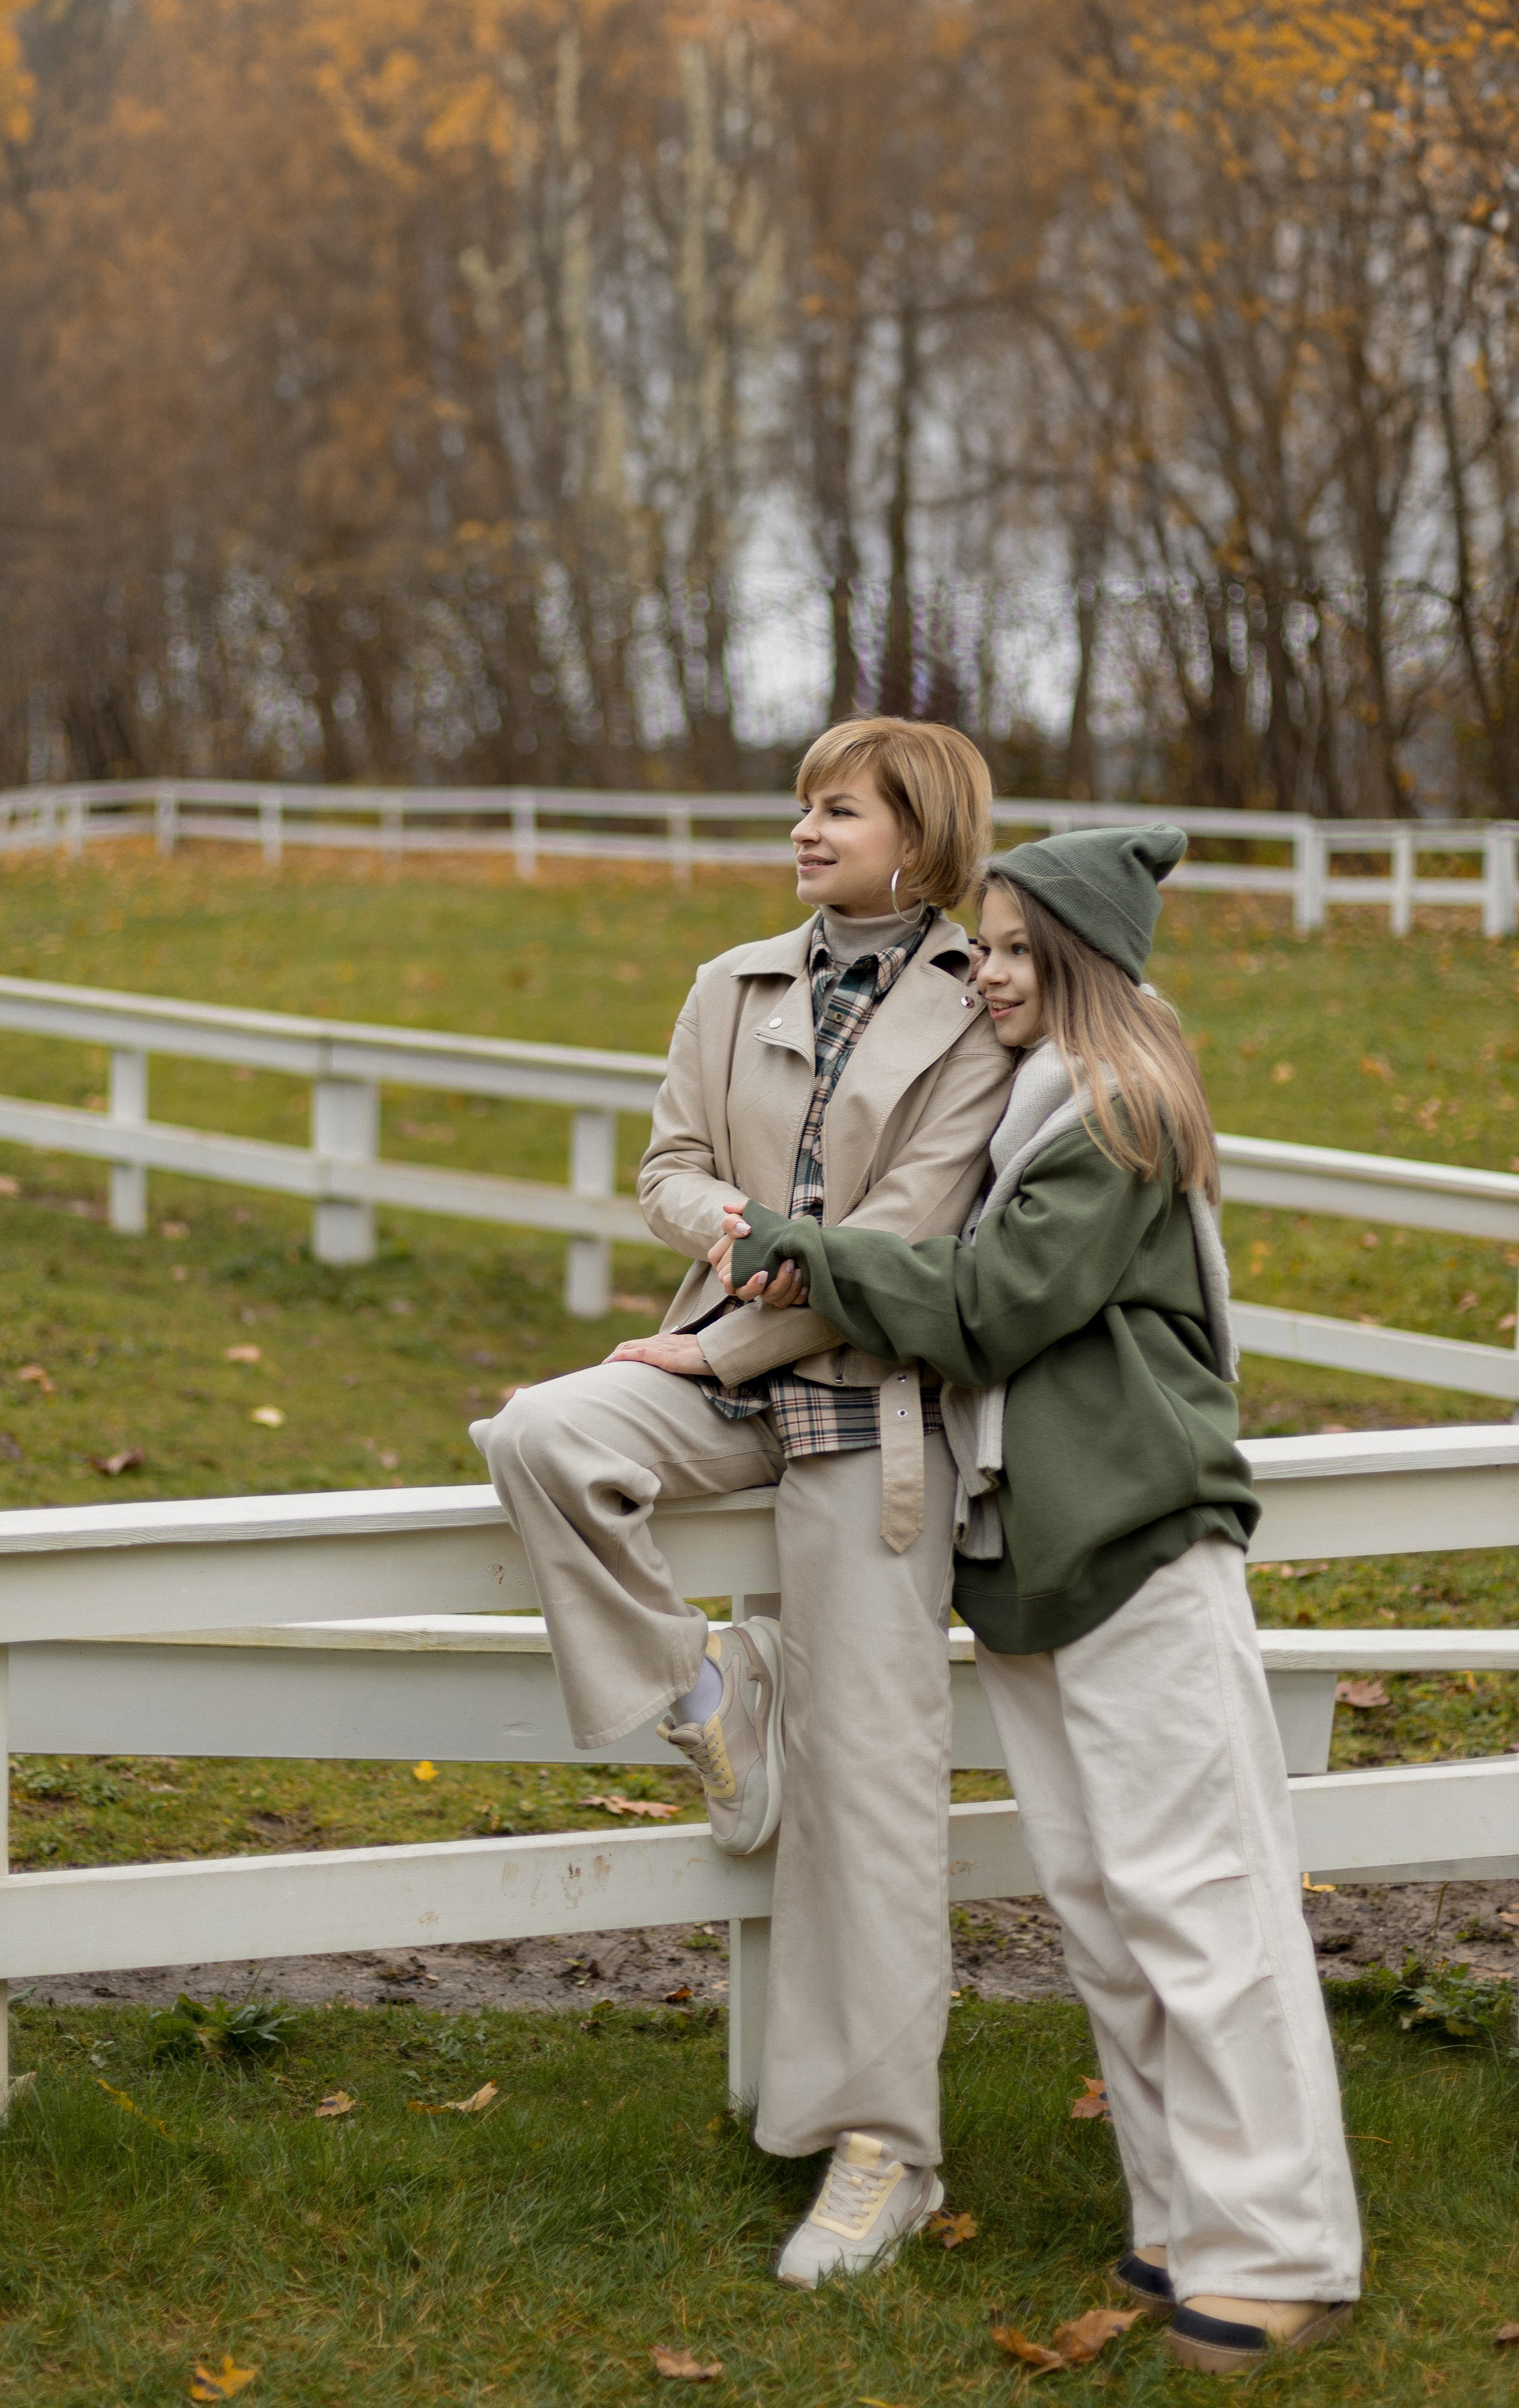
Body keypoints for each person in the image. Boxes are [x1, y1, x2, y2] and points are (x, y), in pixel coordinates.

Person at [712, 823, 1362, 2375]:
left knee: (1196, 1906)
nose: (984, 973)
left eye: (1011, 950)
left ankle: (1280, 2251)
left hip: (1136, 1541)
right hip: (1032, 1566)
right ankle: (1176, 2224)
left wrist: (807, 1252)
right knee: (1104, 1909)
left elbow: (994, 1310)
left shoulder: (1116, 1112)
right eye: (981, 948)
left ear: (1077, 961)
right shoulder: (1029, 1117)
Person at [472, 717, 1013, 2287]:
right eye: (799, 807)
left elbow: (907, 1243)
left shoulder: (974, 1011)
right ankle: (706, 1692)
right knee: (540, 1437)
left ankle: (880, 2156)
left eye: (833, 810)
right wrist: (714, 1222)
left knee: (872, 1795)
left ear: (912, 834)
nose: (801, 831)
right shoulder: (731, 984)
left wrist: (725, 1332)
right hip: (717, 1362)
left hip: (868, 1415)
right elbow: (665, 1163)